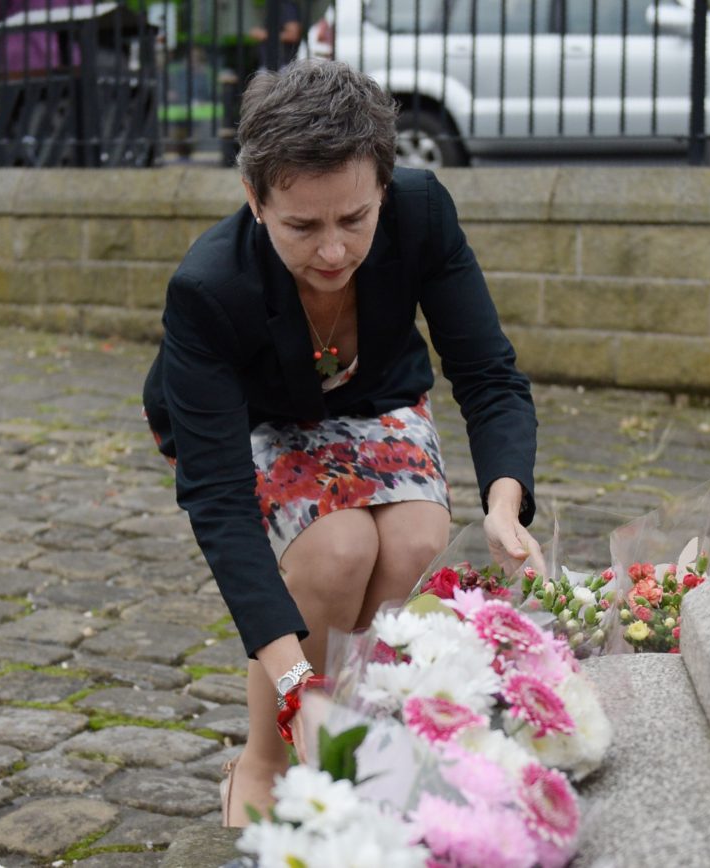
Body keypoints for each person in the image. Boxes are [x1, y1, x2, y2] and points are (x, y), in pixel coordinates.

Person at [141, 58, 542, 827]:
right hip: (261, 418)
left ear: (385, 190)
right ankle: (267, 750)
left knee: (415, 540)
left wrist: (504, 503)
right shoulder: (208, 290)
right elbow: (220, 501)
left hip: (375, 398)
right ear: (254, 199)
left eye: (355, 219)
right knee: (336, 553)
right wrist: (299, 682)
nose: (332, 251)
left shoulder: (422, 213)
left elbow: (488, 373)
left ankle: (354, 739)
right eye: (302, 226)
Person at [250, 1, 302, 71]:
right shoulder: (273, 6)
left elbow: (293, 35)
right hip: (271, 65)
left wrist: (263, 34)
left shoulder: (287, 7)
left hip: (281, 66)